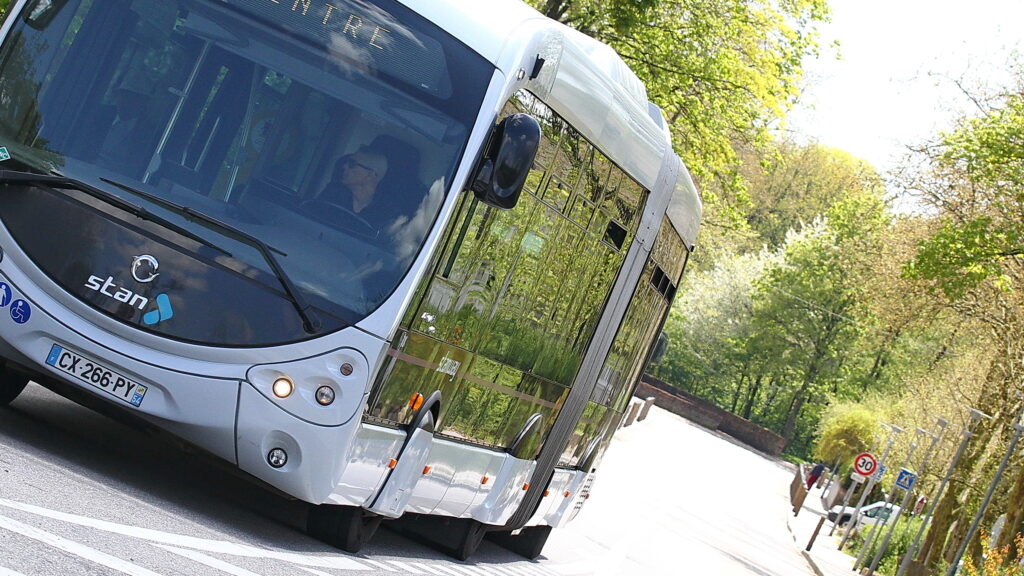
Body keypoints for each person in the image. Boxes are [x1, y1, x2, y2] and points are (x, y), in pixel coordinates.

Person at [313, 146, 390, 231]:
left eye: (352, 164)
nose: (344, 166)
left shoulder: (385, 213)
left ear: (370, 175)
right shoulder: (333, 192)